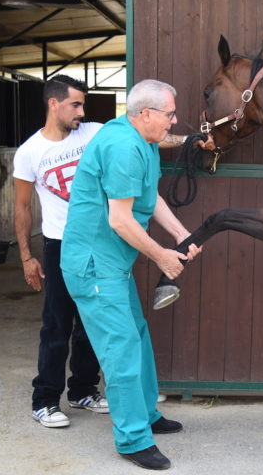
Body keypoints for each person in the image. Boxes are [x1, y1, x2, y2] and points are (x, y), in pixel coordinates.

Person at [60, 79, 201, 470]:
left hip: (113, 264)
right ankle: (132, 439)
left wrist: (181, 234)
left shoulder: (145, 141)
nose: (173, 121)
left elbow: (148, 196)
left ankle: (147, 416)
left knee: (136, 338)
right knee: (120, 350)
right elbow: (120, 219)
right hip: (93, 266)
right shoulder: (123, 147)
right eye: (170, 114)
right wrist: (162, 257)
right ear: (145, 114)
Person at [13, 75, 108, 428]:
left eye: (82, 105)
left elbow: (141, 136)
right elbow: (22, 207)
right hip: (59, 245)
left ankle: (83, 390)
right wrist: (26, 256)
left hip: (98, 241)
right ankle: (45, 400)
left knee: (91, 321)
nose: (81, 112)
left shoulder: (94, 133)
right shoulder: (29, 152)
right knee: (57, 324)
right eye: (75, 105)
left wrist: (192, 142)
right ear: (54, 104)